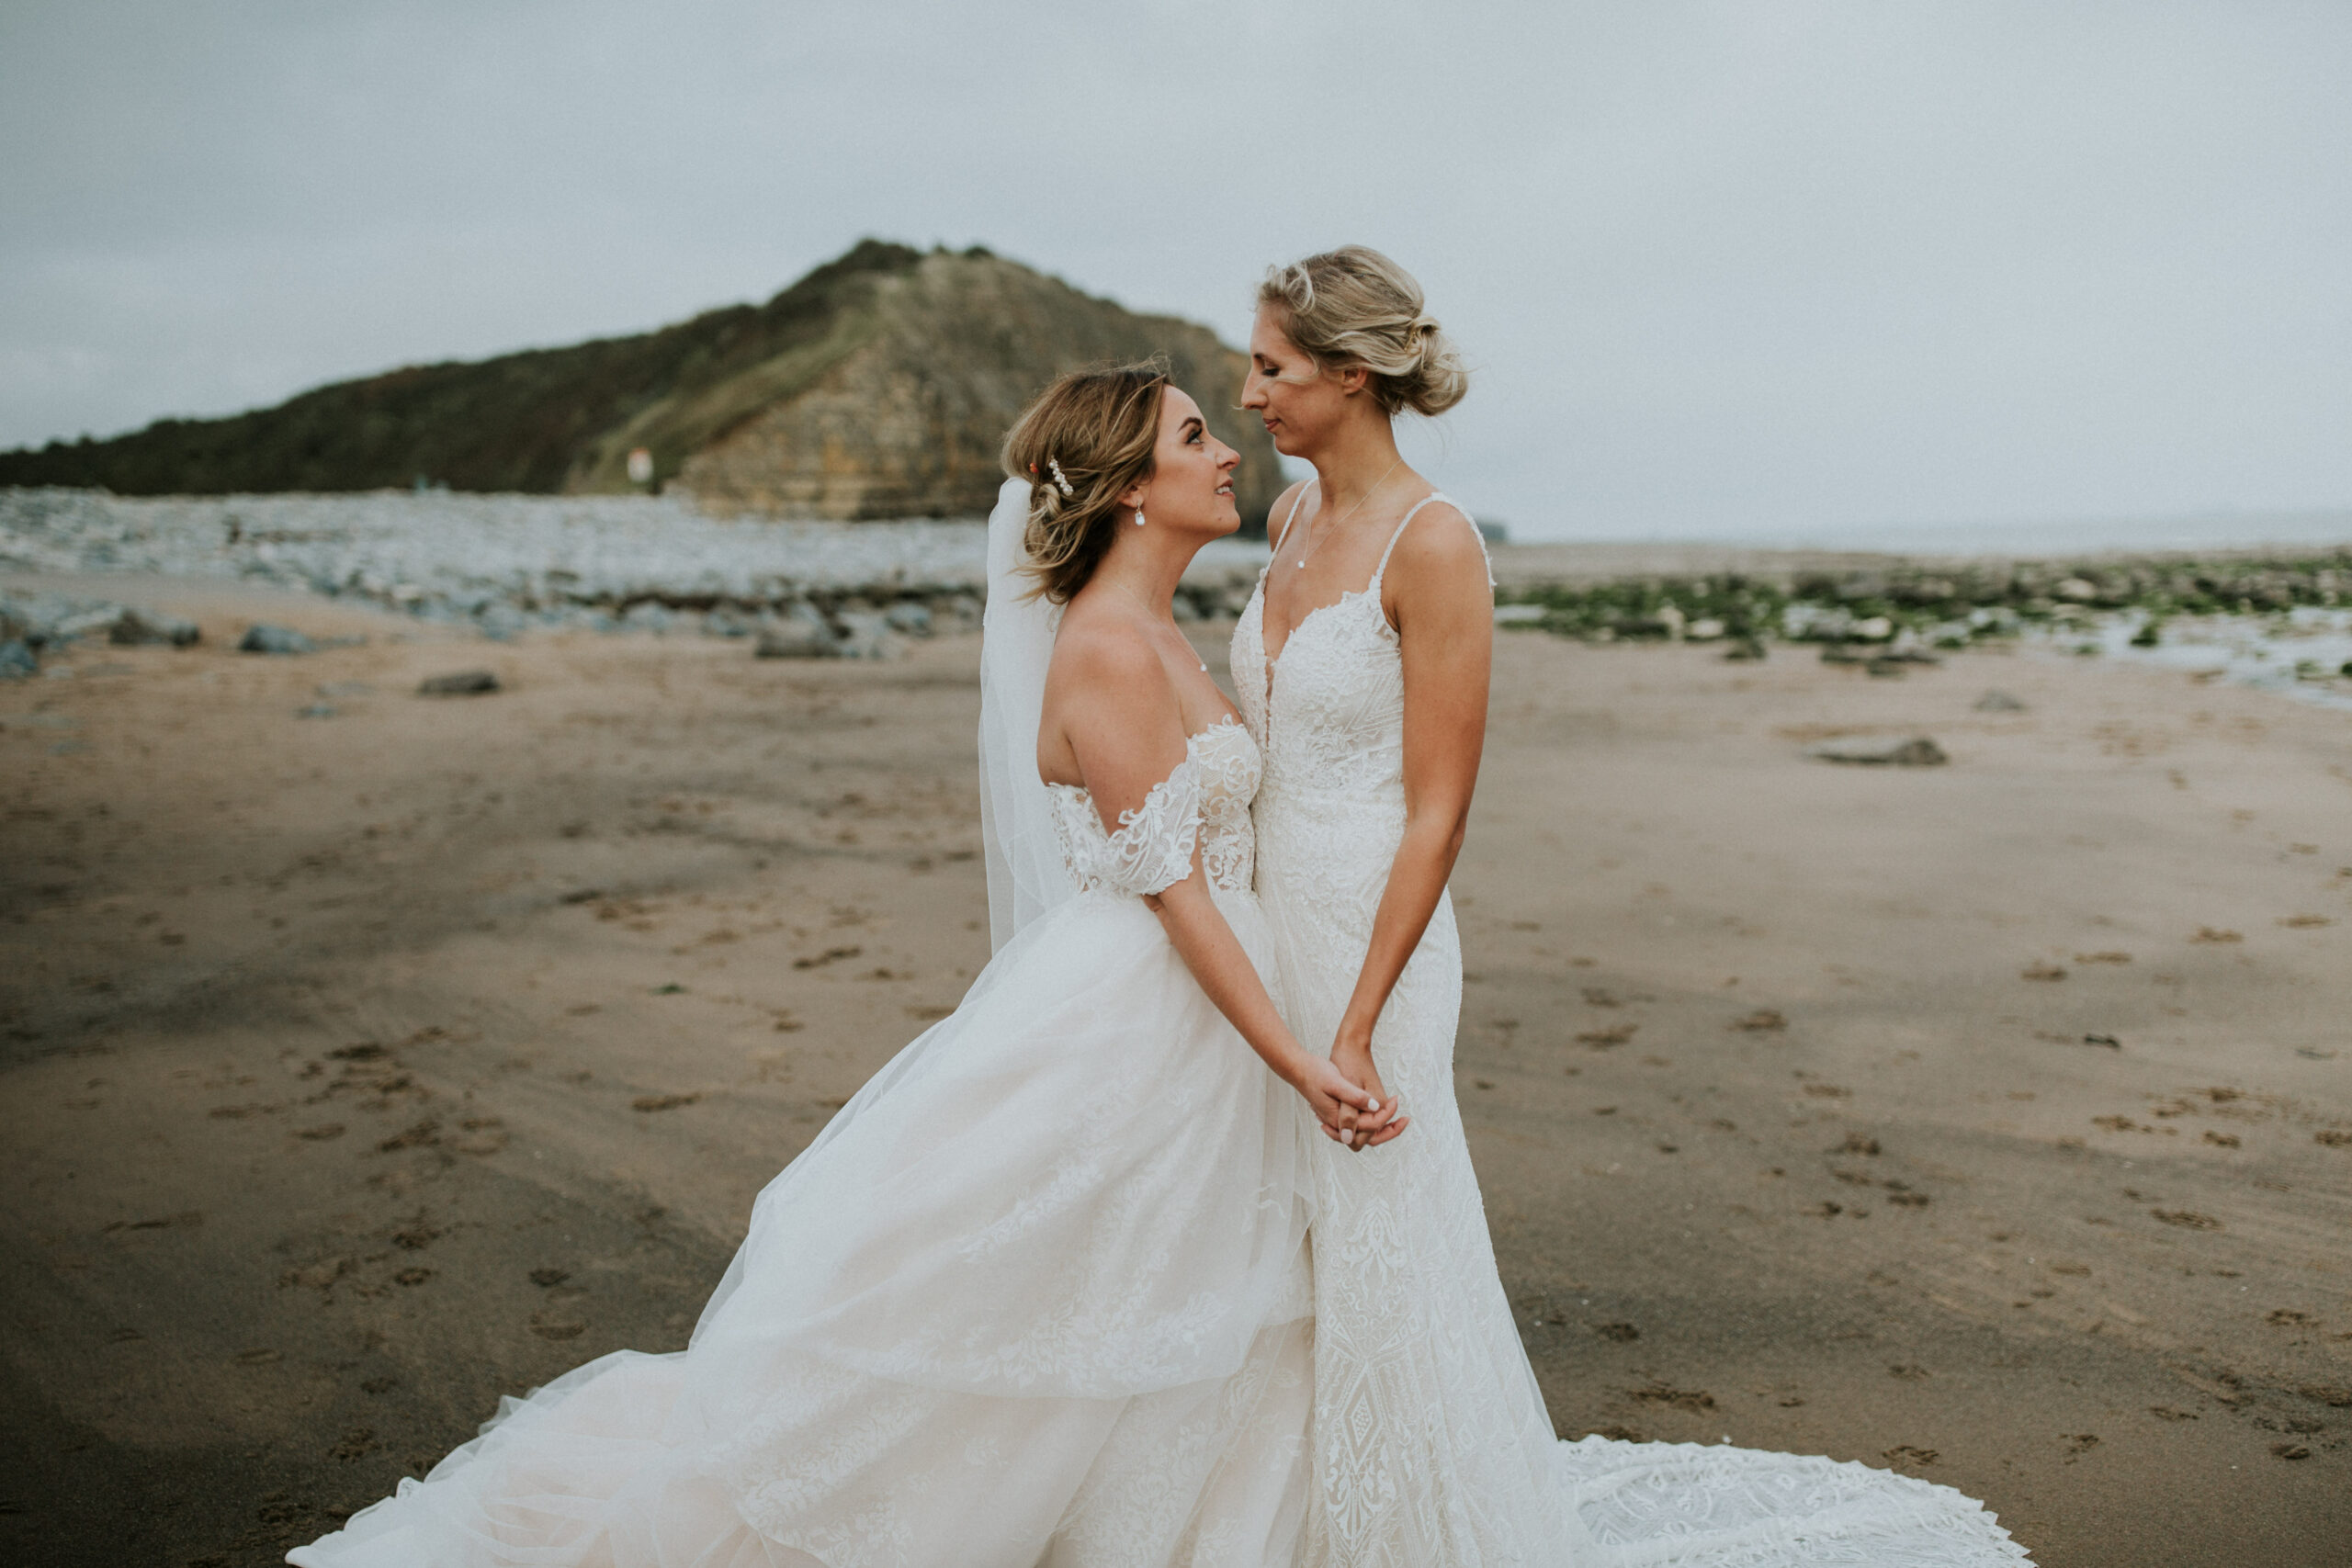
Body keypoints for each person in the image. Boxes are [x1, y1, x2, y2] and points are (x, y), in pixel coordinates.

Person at [286, 361, 1396, 1568]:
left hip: (1201, 1010)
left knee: (1159, 1295)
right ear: (1132, 486)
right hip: (1153, 1010)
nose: (1227, 448)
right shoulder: (1113, 654)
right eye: (1193, 435)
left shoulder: (1159, 629)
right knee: (1071, 1302)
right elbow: (1176, 891)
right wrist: (1290, 1055)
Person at [1232, 245, 2032, 1564]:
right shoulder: (1287, 523)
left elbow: (1437, 810)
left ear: (1351, 373)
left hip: (1374, 940)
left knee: (1381, 1246)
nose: (1252, 392)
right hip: (1269, 924)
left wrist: (1364, 1020)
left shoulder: (1433, 547)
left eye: (1270, 367)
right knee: (1281, 1235)